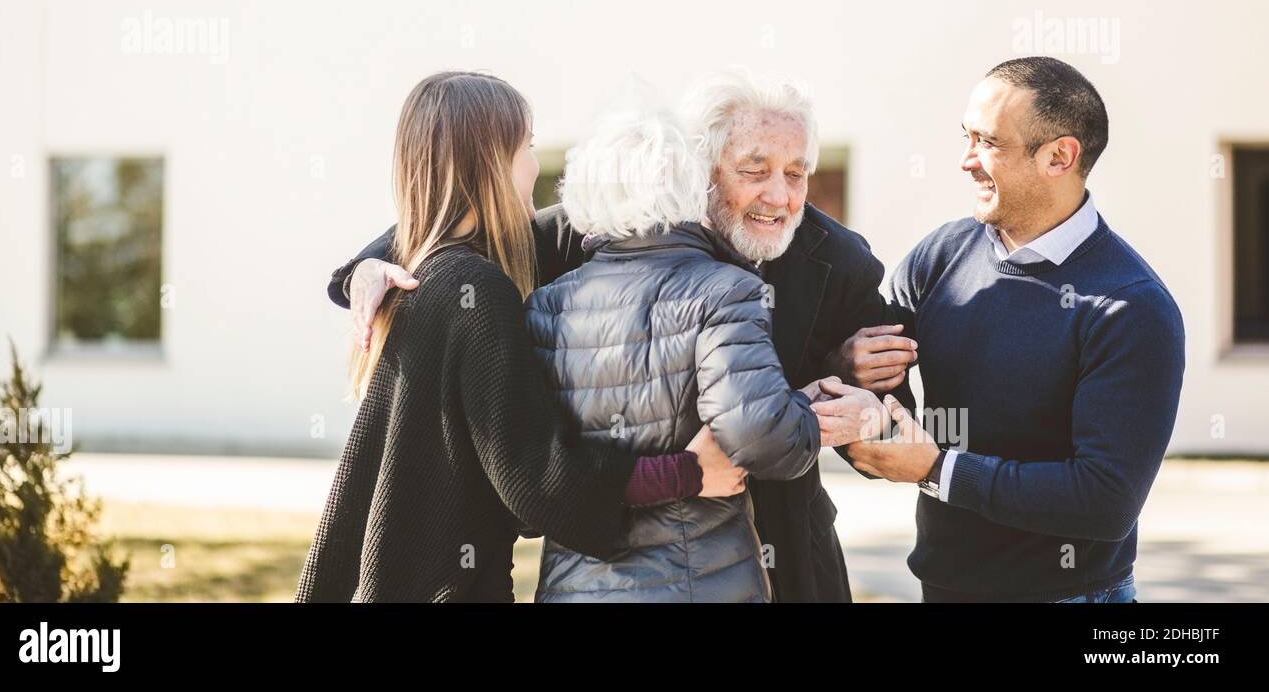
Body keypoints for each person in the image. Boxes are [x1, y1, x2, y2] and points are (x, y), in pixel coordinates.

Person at [329, 70, 912, 602]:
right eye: (754, 171)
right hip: (616, 553)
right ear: (697, 168)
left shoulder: (839, 259)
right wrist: (366, 266)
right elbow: (461, 219)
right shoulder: (596, 230)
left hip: (786, 558)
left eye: (797, 173)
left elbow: (897, 428)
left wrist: (855, 399)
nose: (780, 196)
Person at [295, 71, 743, 603]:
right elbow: (538, 482)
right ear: (491, 161)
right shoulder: (476, 290)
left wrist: (363, 267)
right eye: (526, 146)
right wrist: (686, 474)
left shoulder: (430, 271)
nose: (536, 163)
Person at [844, 56, 1185, 603]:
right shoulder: (939, 256)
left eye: (988, 142)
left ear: (1059, 156)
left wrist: (936, 469)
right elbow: (884, 431)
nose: (966, 161)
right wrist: (855, 366)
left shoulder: (1130, 307)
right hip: (942, 587)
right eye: (966, 136)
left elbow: (1103, 504)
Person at [527, 106, 843, 601]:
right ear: (694, 189)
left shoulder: (543, 307)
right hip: (704, 582)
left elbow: (534, 469)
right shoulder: (727, 290)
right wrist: (806, 409)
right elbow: (757, 436)